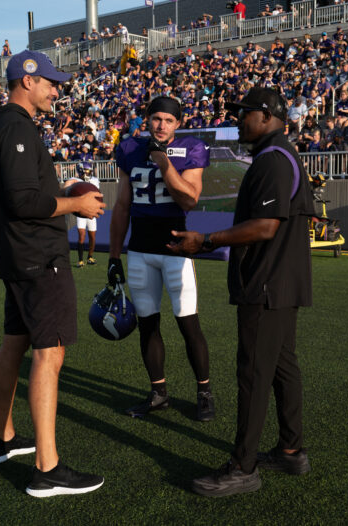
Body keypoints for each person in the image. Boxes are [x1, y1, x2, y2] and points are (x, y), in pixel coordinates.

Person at [168, 87, 314, 497]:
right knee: (283, 367)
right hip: (283, 281)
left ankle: (243, 466)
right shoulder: (280, 154)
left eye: (244, 113)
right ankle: (291, 449)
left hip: (266, 283)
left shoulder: (271, 159)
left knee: (253, 373)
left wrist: (206, 240)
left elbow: (266, 226)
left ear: (266, 115)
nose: (237, 119)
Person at [0, 50, 106, 498]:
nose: (56, 89)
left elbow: (27, 191)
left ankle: (3, 438)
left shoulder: (2, 125)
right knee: (49, 354)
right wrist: (77, 204)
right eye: (50, 82)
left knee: (15, 341)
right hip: (37, 257)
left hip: (19, 256)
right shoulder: (16, 127)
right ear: (26, 81)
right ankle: (47, 469)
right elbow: (22, 202)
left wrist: (61, 190)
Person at [108, 96, 216, 422]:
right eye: (156, 118)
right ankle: (158, 393)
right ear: (147, 119)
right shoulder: (129, 149)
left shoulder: (191, 149)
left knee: (188, 324)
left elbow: (190, 199)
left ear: (178, 124)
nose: (162, 125)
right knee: (148, 325)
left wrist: (163, 162)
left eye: (169, 120)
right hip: (140, 250)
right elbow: (123, 206)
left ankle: (204, 392)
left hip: (176, 251)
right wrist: (114, 256)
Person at [69, 162, 100, 267]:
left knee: (92, 236)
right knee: (81, 235)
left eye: (89, 170)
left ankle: (90, 257)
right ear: (81, 170)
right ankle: (80, 260)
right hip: (80, 212)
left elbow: (97, 194)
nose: (88, 172)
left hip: (91, 211)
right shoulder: (74, 180)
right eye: (87, 170)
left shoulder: (94, 180)